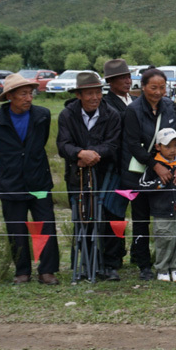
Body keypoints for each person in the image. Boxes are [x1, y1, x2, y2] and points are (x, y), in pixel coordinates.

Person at [0, 73, 59, 284]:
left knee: (46, 224)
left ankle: (47, 270)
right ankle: (22, 271)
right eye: (23, 94)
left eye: (30, 93)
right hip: (10, 183)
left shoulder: (42, 115)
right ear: (10, 97)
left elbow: (40, 142)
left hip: (39, 181)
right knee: (16, 228)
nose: (28, 98)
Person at [122, 68, 176, 281]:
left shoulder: (170, 107)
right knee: (141, 218)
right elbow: (132, 143)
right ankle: (144, 264)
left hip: (172, 171)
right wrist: (154, 165)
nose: (158, 92)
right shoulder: (133, 110)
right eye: (153, 87)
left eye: (162, 87)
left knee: (171, 215)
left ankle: (172, 262)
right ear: (143, 87)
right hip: (143, 171)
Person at [55, 71, 122, 281]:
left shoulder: (111, 114)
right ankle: (85, 263)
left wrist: (92, 154)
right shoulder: (67, 115)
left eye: (97, 92)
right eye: (89, 93)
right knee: (82, 216)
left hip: (107, 174)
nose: (94, 97)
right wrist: (79, 154)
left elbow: (113, 144)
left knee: (110, 217)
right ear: (79, 95)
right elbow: (63, 144)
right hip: (78, 174)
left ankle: (111, 265)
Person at [138, 128, 176, 283]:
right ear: (158, 147)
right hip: (162, 211)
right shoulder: (154, 167)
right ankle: (162, 269)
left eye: (175, 146)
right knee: (164, 240)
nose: (172, 150)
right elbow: (142, 185)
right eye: (168, 146)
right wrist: (158, 184)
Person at [98, 58, 133, 269]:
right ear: (111, 82)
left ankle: (135, 253)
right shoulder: (107, 104)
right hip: (117, 166)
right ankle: (112, 256)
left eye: (128, 76)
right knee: (114, 213)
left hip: (136, 165)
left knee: (136, 213)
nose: (127, 81)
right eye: (121, 78)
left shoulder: (134, 99)